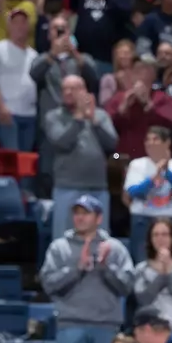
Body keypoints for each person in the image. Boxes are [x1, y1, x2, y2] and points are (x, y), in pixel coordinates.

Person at [39, 194, 132, 343]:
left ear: (99, 218)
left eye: (86, 213)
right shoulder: (59, 247)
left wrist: (106, 268)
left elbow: (127, 286)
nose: (80, 218)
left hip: (106, 326)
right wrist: (77, 269)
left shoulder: (114, 248)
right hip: (70, 325)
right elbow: (48, 284)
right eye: (77, 213)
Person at [43, 73, 115, 240]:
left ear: (85, 91)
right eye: (65, 89)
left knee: (99, 240)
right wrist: (79, 119)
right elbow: (61, 142)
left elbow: (112, 143)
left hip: (98, 187)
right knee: (64, 239)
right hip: (67, 187)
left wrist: (94, 120)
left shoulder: (101, 115)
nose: (68, 92)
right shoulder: (53, 116)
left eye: (73, 88)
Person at [123, 125, 172, 263]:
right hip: (142, 220)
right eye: (147, 140)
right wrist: (153, 179)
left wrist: (167, 173)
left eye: (155, 139)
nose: (150, 143)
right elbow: (133, 192)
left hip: (170, 219)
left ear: (167, 143)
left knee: (171, 261)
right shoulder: (137, 164)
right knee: (142, 262)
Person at [132, 218, 172, 339]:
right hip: (152, 326)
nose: (160, 238)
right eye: (155, 235)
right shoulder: (141, 269)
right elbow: (144, 299)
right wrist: (161, 274)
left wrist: (168, 269)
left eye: (164, 234)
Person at [104, 53, 172, 158]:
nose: (137, 72)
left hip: (154, 159)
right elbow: (106, 127)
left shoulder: (163, 98)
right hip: (124, 158)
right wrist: (122, 109)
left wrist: (148, 105)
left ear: (153, 74)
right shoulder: (119, 98)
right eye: (134, 68)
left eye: (143, 68)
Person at [29, 12, 97, 121]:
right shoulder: (42, 58)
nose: (59, 31)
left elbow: (94, 77)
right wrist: (53, 54)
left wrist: (74, 53)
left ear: (69, 32)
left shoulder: (81, 58)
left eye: (63, 28)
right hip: (50, 117)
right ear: (49, 35)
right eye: (55, 28)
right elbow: (34, 75)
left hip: (77, 115)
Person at [0, 5, 33, 150]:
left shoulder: (34, 55)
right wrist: (1, 106)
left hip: (30, 114)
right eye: (15, 22)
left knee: (26, 158)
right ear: (9, 26)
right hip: (6, 112)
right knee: (13, 154)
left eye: (23, 22)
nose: (20, 26)